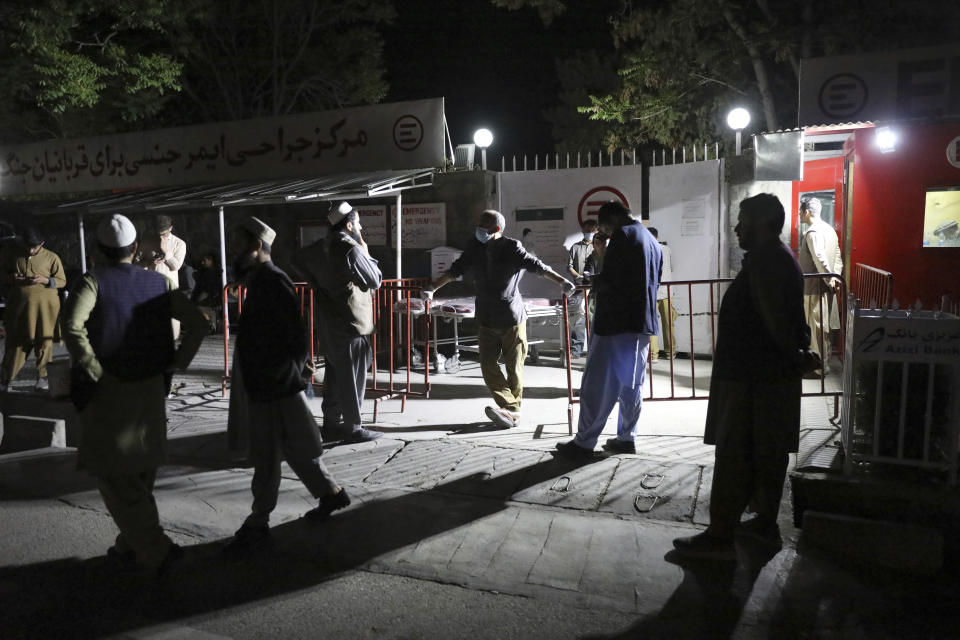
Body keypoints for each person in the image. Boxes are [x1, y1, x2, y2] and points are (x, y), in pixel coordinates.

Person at [61, 214, 208, 576]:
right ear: (134, 249)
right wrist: (177, 363)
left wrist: (93, 368)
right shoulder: (158, 282)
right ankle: (130, 543)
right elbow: (200, 323)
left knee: (114, 475)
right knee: (141, 471)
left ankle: (155, 550)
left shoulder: (92, 282)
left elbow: (71, 326)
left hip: (110, 390)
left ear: (97, 250)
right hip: (153, 386)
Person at [673, 194, 812, 558]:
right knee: (766, 453)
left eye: (743, 220)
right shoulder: (777, 259)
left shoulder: (768, 262)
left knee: (735, 454)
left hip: (752, 378)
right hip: (764, 377)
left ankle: (720, 537)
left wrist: (793, 356)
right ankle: (764, 525)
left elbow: (774, 322)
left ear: (763, 223)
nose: (737, 227)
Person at [224, 216, 351, 557]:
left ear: (255, 246)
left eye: (239, 243)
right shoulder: (262, 279)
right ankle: (330, 493)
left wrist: (285, 376)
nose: (234, 250)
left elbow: (293, 335)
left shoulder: (272, 281)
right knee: (296, 447)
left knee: (266, 455)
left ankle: (257, 522)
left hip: (273, 383)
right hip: (273, 382)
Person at [424, 209, 575, 429]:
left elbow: (538, 267)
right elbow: (456, 270)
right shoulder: (474, 247)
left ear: (496, 230)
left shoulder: (512, 248)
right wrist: (432, 288)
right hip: (485, 316)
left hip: (511, 318)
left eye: (483, 226)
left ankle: (511, 411)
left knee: (514, 368)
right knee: (487, 366)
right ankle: (511, 409)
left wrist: (562, 281)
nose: (478, 230)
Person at [555, 202, 661, 459]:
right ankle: (626, 438)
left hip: (615, 322)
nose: (604, 232)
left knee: (597, 383)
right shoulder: (650, 239)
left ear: (612, 219)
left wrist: (592, 278)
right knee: (631, 384)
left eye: (604, 227)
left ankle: (584, 443)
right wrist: (603, 253)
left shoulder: (623, 236)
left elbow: (612, 280)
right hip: (641, 323)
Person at [293, 201, 384, 443]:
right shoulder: (350, 249)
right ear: (350, 224)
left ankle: (331, 423)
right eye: (359, 223)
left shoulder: (319, 248)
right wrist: (364, 249)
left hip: (329, 323)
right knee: (354, 377)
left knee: (335, 376)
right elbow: (375, 280)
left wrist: (316, 284)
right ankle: (353, 427)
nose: (361, 227)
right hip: (352, 324)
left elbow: (297, 260)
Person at [0, 228, 66, 391]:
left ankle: (43, 378)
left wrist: (45, 280)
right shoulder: (14, 255)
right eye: (28, 246)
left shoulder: (52, 257)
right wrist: (13, 278)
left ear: (41, 244)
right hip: (20, 308)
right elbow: (2, 275)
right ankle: (6, 379)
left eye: (34, 247)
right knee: (17, 343)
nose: (30, 250)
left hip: (45, 309)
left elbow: (61, 281)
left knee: (44, 341)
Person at [798, 197, 842, 377]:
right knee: (825, 329)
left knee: (815, 328)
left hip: (814, 287)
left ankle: (817, 368)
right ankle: (824, 364)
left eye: (800, 212)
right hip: (827, 288)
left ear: (806, 212)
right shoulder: (830, 230)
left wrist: (829, 278)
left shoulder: (813, 231)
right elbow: (837, 255)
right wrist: (835, 278)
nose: (799, 215)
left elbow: (819, 257)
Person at [567, 219, 598, 358]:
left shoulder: (599, 247)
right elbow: (569, 266)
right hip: (579, 288)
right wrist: (579, 276)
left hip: (595, 289)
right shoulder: (575, 247)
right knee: (577, 320)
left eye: (592, 230)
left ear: (597, 231)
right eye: (587, 230)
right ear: (582, 231)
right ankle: (576, 351)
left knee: (594, 320)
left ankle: (594, 350)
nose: (589, 233)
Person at [153, 215, 187, 340]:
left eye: (164, 233)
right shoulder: (149, 241)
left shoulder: (179, 244)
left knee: (171, 318)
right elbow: (138, 263)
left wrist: (165, 251)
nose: (161, 237)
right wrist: (151, 263)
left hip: (169, 287)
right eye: (159, 234)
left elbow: (176, 266)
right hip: (151, 287)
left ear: (171, 228)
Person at [647, 227, 678, 363]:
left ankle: (653, 355)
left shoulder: (644, 249)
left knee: (651, 324)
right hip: (667, 290)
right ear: (657, 237)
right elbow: (672, 267)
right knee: (668, 324)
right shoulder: (667, 249)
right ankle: (670, 352)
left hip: (651, 292)